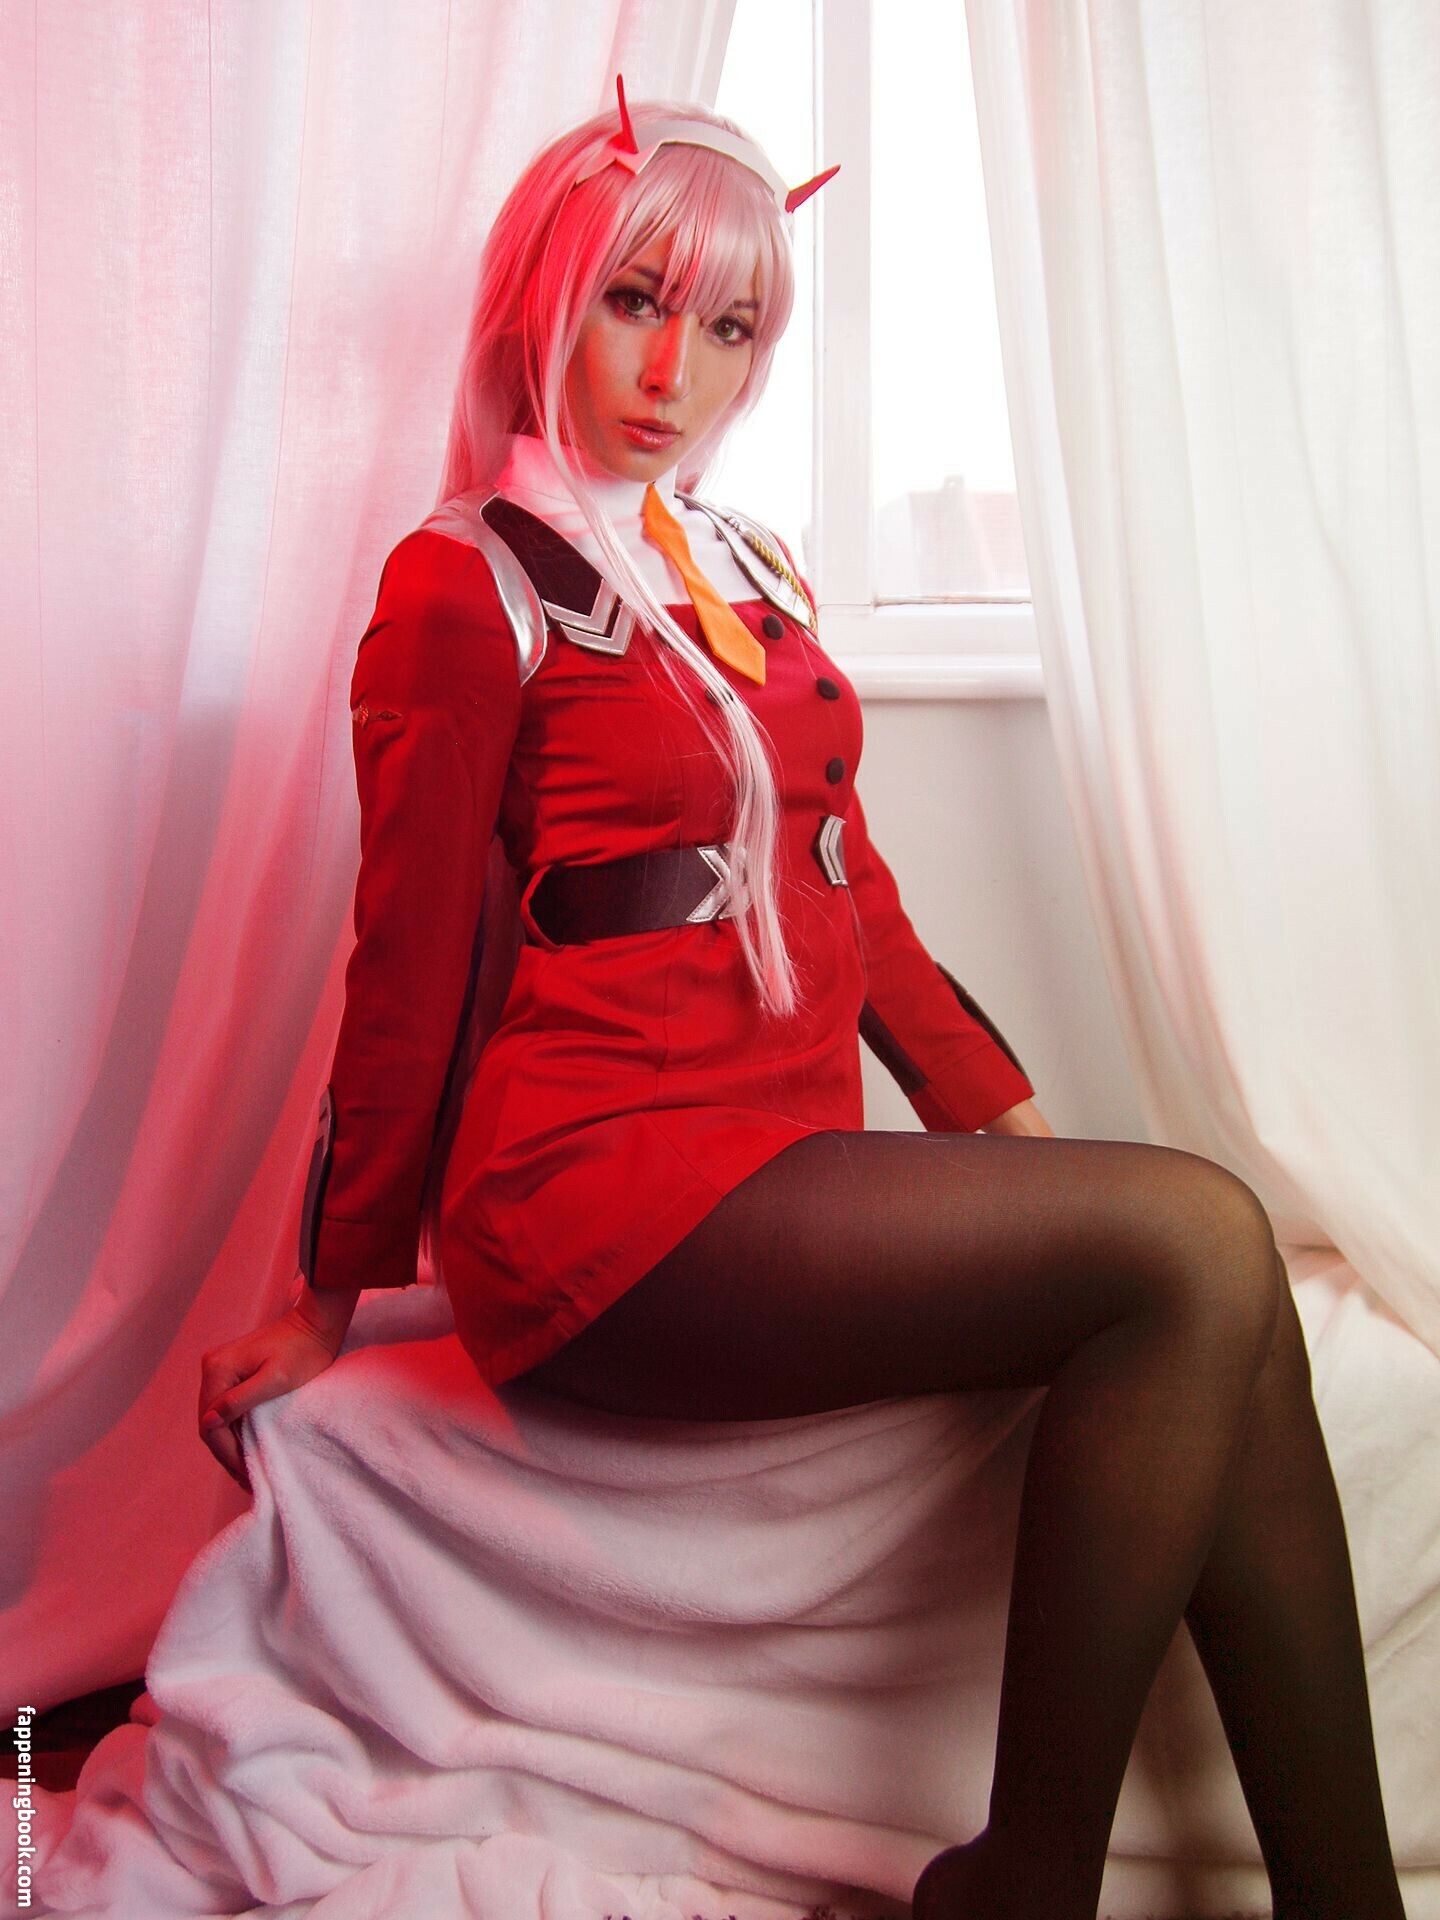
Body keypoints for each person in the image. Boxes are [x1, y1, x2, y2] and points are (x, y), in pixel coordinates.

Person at [197, 80, 1406, 1920]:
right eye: (632, 300)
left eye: (729, 326)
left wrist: (1016, 1142)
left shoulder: (749, 569)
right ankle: (1027, 1882)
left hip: (777, 1163)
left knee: (1212, 1282)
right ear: (542, 301)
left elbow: (859, 899)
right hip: (592, 1197)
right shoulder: (462, 584)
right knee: (1201, 1242)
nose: (671, 368)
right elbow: (407, 959)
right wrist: (327, 1291)